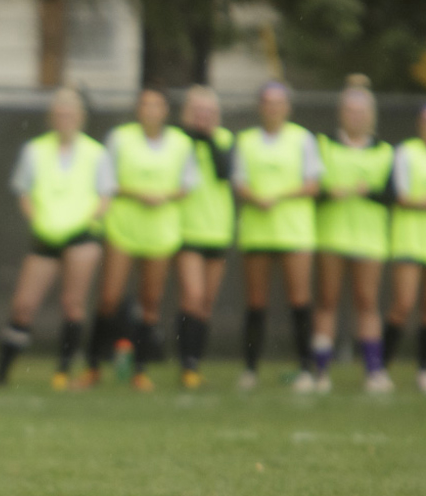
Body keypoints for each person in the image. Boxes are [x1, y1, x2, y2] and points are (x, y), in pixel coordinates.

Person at [0, 87, 112, 388]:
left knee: (73, 304)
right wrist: (37, 220)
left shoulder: (96, 152)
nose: (65, 117)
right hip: (46, 236)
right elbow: (24, 192)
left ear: (80, 117)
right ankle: (2, 371)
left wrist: (85, 222)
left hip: (81, 236)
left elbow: (105, 195)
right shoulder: (35, 150)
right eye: (60, 112)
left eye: (70, 112)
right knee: (23, 305)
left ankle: (63, 371)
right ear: (52, 117)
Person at [79, 87, 196, 391]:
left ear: (165, 111)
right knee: (108, 298)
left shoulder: (181, 143)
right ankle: (93, 365)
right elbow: (108, 180)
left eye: (157, 105)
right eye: (145, 105)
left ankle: (139, 370)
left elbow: (187, 184)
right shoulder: (120, 138)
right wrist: (138, 193)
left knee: (150, 303)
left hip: (160, 229)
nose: (150, 110)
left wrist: (163, 196)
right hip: (124, 226)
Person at [232, 81, 322, 391]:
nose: (273, 108)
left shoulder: (302, 139)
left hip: (294, 230)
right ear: (261, 107)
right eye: (267, 102)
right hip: (257, 231)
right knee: (256, 301)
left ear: (287, 107)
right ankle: (250, 369)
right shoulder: (246, 141)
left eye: (278, 102)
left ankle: (306, 369)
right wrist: (255, 198)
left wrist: (279, 196)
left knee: (299, 299)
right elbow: (239, 181)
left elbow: (313, 184)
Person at [310, 76, 395, 393]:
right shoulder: (324, 147)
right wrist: (331, 192)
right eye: (350, 111)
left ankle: (373, 371)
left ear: (370, 115)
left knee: (367, 303)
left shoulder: (385, 152)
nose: (355, 116)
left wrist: (368, 192)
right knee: (327, 302)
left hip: (369, 240)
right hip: (331, 237)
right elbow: (314, 188)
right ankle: (320, 371)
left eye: (361, 111)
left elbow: (391, 194)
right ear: (341, 113)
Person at [174, 85, 234, 389]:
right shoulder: (177, 141)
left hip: (217, 230)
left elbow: (226, 172)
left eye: (209, 112)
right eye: (197, 111)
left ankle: (195, 361)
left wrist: (208, 139)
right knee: (193, 298)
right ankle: (187, 364)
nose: (203, 117)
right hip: (187, 230)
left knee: (206, 303)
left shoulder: (224, 141)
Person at [384, 103, 426, 391]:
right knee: (403, 304)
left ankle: (423, 369)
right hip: (409, 239)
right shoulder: (406, 152)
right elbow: (401, 196)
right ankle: (381, 367)